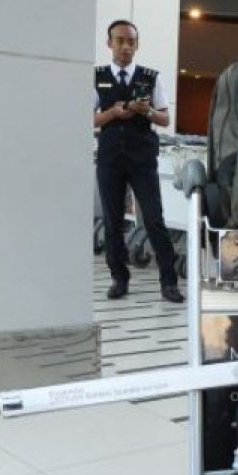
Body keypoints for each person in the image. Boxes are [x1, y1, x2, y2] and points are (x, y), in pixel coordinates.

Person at [93, 19, 183, 303]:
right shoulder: (97, 77)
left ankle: (169, 283)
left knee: (154, 219)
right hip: (110, 158)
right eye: (119, 40)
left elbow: (165, 118)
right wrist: (112, 114)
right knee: (113, 221)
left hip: (142, 159)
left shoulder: (150, 77)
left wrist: (145, 112)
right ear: (110, 44)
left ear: (137, 45)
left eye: (131, 41)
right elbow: (89, 117)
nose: (125, 46)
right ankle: (119, 278)